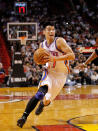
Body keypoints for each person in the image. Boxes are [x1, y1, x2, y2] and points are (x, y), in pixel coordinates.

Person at [17, 22, 75, 128]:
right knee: (40, 93)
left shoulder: (59, 41)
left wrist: (55, 58)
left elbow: (72, 56)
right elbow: (41, 60)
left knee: (47, 100)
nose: (51, 31)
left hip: (61, 75)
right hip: (49, 72)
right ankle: (24, 117)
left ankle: (43, 104)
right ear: (44, 32)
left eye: (53, 29)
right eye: (49, 30)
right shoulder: (42, 45)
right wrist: (40, 61)